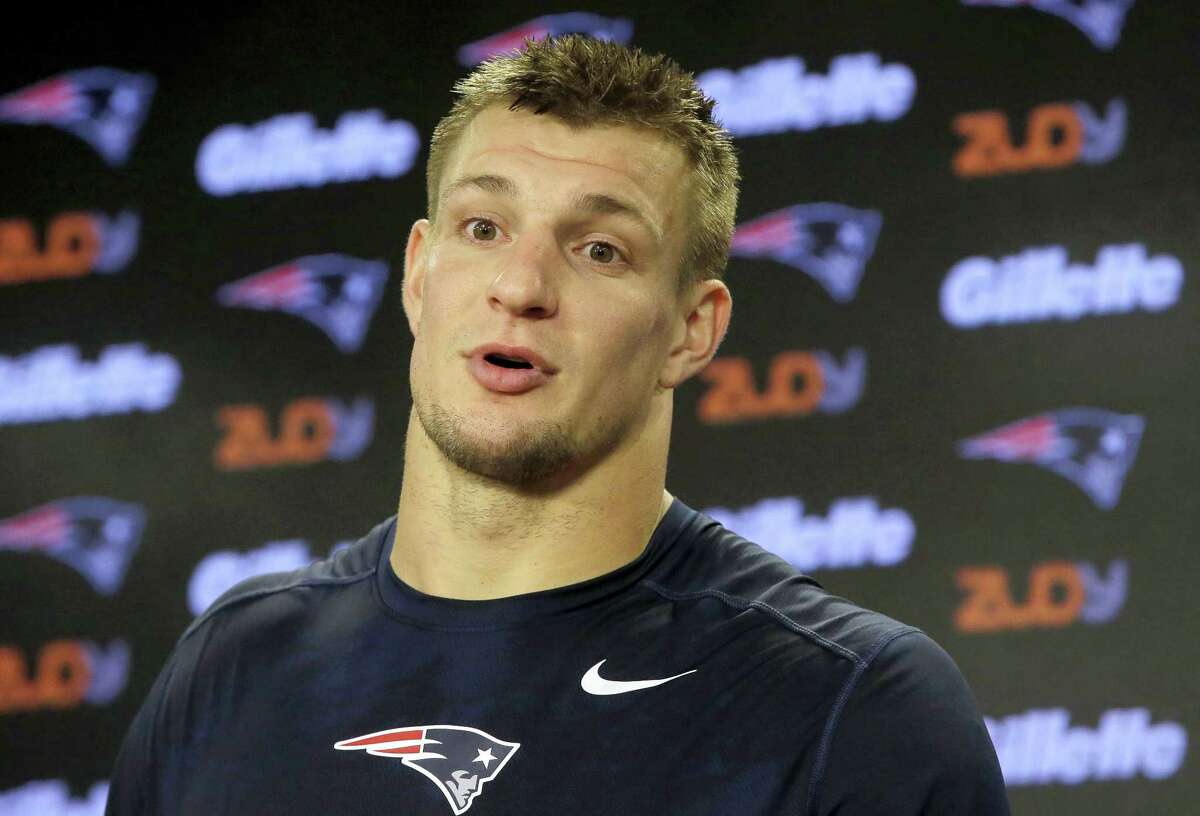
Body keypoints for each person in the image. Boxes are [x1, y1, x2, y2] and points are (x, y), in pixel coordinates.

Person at [107, 35, 1010, 815]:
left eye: (600, 250)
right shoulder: (229, 672)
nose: (523, 286)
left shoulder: (850, 706)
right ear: (419, 273)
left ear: (692, 330)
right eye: (484, 226)